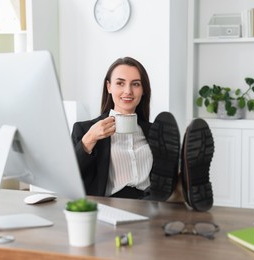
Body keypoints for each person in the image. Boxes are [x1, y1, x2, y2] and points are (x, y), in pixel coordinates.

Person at [71, 57, 214, 211]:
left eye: (136, 84)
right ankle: (179, 192)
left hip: (150, 203)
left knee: (165, 195)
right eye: (120, 83)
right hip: (111, 206)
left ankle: (183, 182)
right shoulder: (86, 130)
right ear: (109, 86)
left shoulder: (157, 132)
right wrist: (89, 140)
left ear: (143, 89)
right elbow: (70, 179)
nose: (128, 91)